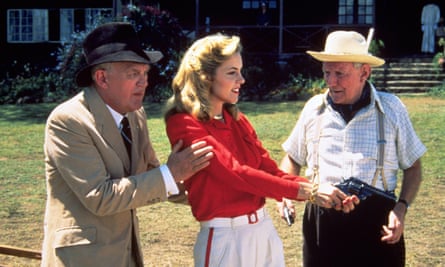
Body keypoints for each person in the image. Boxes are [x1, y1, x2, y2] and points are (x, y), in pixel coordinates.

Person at [163, 32, 358, 267]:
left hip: (263, 231)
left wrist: (323, 193)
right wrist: (310, 192)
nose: (241, 79)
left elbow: (271, 172)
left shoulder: (237, 120)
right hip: (224, 239)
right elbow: (235, 173)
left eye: (240, 71)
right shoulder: (184, 123)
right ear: (206, 77)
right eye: (232, 72)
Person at [41, 22, 214, 267]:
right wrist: (171, 172)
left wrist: (219, 189)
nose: (144, 82)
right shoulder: (67, 121)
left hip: (125, 255)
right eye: (134, 73)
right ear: (101, 77)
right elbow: (99, 196)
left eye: (145, 73)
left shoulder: (135, 114)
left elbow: (152, 176)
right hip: (81, 260)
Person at [279, 30, 427, 267]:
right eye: (327, 72)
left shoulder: (391, 110)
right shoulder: (313, 109)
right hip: (322, 223)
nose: (331, 81)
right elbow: (292, 158)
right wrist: (285, 192)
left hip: (378, 225)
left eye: (340, 74)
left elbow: (413, 167)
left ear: (364, 73)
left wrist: (401, 209)